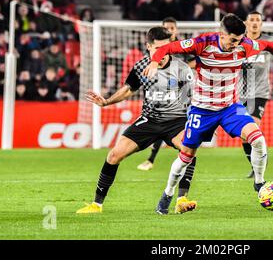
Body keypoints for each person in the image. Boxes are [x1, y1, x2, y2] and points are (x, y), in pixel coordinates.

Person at [143, 14, 273, 214]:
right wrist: (154, 62)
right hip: (202, 110)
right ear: (222, 34)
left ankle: (259, 182)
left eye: (239, 40)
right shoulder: (202, 43)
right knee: (186, 155)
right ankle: (167, 195)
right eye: (232, 40)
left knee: (257, 139)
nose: (236, 45)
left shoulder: (245, 45)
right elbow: (166, 48)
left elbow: (268, 45)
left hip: (230, 108)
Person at [76, 27, 198, 215]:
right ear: (148, 46)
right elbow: (127, 90)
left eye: (166, 48)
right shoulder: (142, 66)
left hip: (176, 121)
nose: (162, 53)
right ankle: (96, 205)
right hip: (148, 121)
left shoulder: (181, 68)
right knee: (114, 156)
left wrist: (199, 122)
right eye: (158, 48)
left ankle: (182, 199)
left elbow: (191, 99)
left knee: (188, 149)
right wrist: (106, 102)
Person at [136, 17, 196, 172]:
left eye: (172, 28)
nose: (169, 30)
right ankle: (153, 159)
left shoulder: (183, 46)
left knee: (173, 122)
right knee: (163, 121)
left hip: (181, 85)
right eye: (166, 28)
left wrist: (180, 69)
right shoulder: (156, 48)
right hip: (161, 87)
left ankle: (161, 159)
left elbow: (195, 61)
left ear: (176, 30)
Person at [241, 11, 273, 178]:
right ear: (246, 23)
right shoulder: (239, 41)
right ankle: (255, 165)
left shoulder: (268, 41)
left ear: (261, 24)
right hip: (239, 95)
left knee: (253, 126)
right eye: (251, 20)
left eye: (257, 20)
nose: (254, 23)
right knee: (244, 134)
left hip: (259, 92)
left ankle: (259, 162)